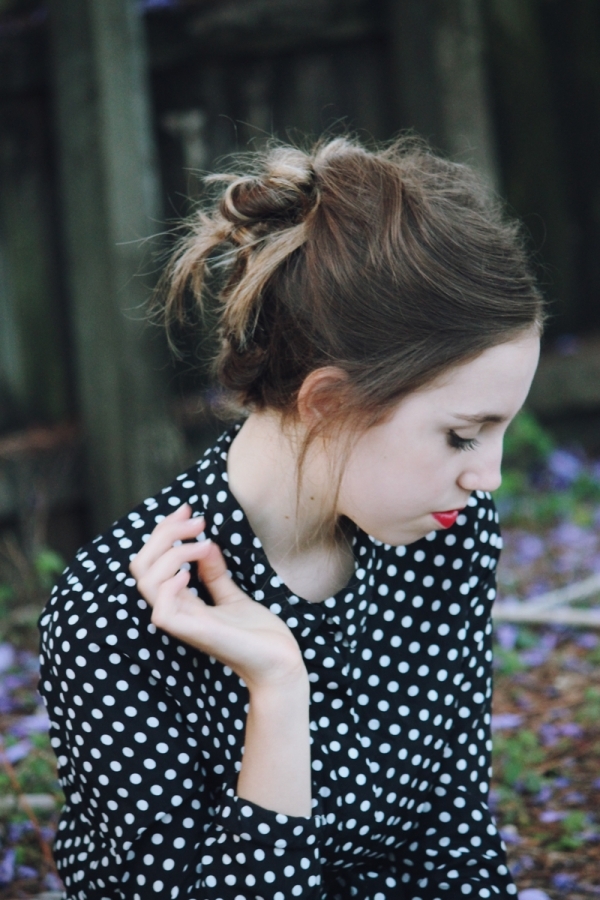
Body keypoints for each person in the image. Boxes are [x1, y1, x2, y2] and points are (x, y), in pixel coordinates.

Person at [39, 136, 544, 900]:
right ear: (329, 403)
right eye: (462, 435)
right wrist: (278, 691)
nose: (490, 477)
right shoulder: (114, 613)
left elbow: (454, 832)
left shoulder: (444, 532)